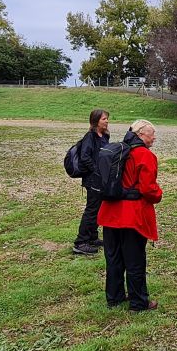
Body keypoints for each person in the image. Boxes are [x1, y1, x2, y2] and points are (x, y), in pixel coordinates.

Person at [97, 120, 163, 312]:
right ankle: (138, 302)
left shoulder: (118, 150)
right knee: (135, 260)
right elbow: (148, 188)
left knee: (114, 258)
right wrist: (159, 194)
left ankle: (114, 297)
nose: (154, 137)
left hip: (110, 213)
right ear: (142, 135)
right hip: (132, 215)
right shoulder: (144, 155)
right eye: (152, 133)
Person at [72, 108, 111, 255]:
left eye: (107, 118)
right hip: (93, 179)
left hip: (101, 179)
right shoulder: (90, 136)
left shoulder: (104, 136)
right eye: (103, 119)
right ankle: (80, 242)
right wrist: (96, 170)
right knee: (91, 210)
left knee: (98, 208)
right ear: (95, 121)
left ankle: (92, 237)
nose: (106, 121)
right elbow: (85, 157)